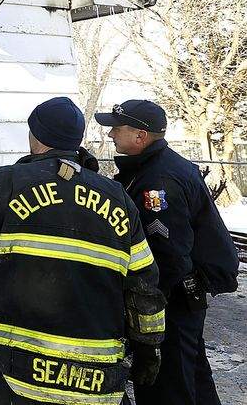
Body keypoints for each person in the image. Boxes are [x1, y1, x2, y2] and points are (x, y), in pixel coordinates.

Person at [0, 97, 166, 405]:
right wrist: (149, 348)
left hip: (20, 378)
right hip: (95, 383)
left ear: (35, 135)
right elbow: (144, 286)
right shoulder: (118, 199)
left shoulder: (6, 185)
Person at [94, 100, 239, 405]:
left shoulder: (158, 183)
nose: (109, 134)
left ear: (140, 136)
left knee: (167, 386)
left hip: (172, 299)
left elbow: (169, 257)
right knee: (192, 378)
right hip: (184, 296)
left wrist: (144, 307)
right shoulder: (159, 167)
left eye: (116, 128)